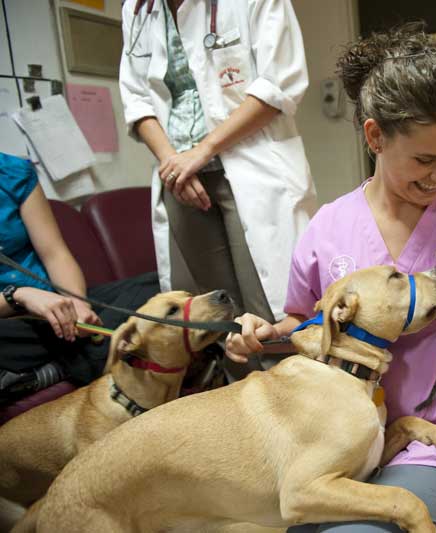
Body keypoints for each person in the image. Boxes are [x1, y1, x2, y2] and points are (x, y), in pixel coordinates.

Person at [226, 25, 436, 533]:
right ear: (375, 135)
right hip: (353, 431)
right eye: (424, 159)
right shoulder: (328, 226)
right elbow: (306, 324)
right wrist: (265, 337)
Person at [119, 0, 317, 374]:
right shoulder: (137, 9)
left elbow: (279, 83)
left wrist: (202, 150)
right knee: (220, 318)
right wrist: (172, 164)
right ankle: (244, 419)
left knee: (271, 311)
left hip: (251, 166)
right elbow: (136, 97)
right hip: (180, 178)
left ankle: (299, 417)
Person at [0, 153, 159, 402]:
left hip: (56, 303)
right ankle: (79, 361)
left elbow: (55, 253)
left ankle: (53, 368)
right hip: (9, 316)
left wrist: (77, 303)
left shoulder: (13, 172)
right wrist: (18, 296)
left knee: (160, 287)